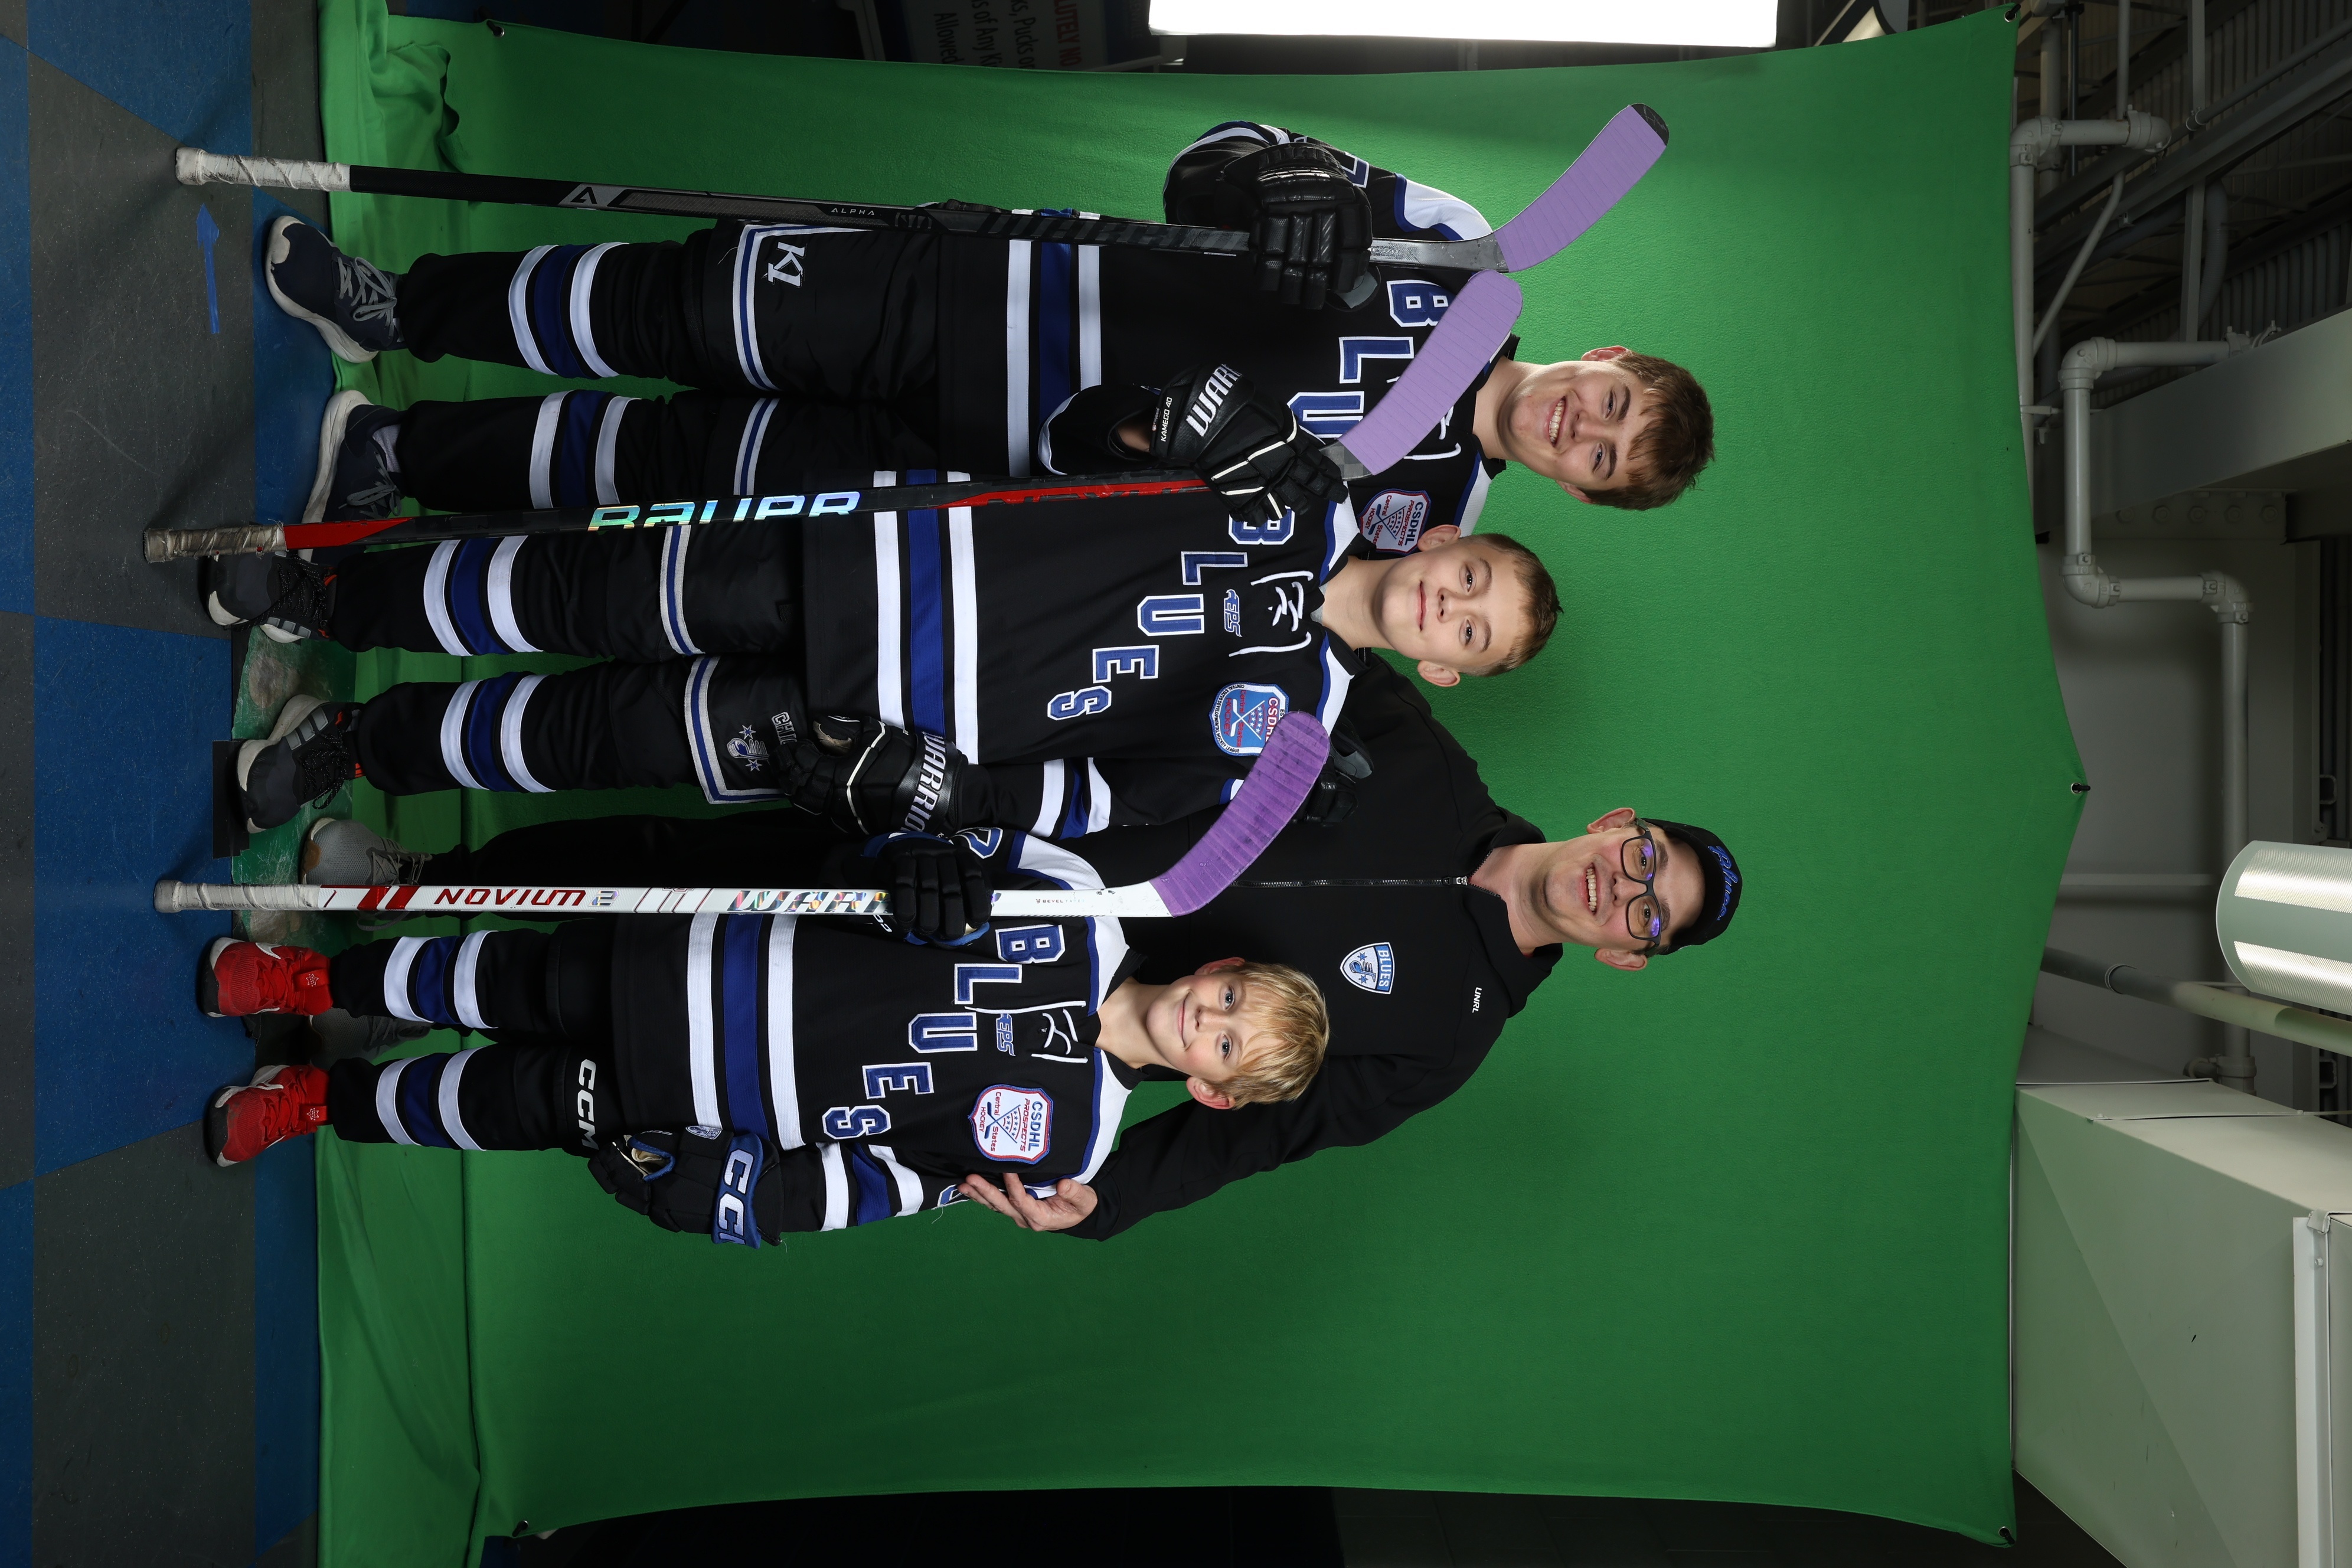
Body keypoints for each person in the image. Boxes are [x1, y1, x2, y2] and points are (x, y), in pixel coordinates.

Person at [285, 654, 1746, 1239]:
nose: (1622, 889)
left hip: (997, 1019)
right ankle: (421, 891)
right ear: (1616, 821)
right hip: (998, 868)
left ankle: (393, 1023)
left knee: (683, 1030)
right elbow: (1274, 652)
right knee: (683, 870)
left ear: (1628, 956)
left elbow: (1260, 1133)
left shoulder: (1447, 1037)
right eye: (1642, 859)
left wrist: (1101, 1198)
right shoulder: (1422, 753)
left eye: (1648, 913)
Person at [246, 120, 1713, 541]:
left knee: (672, 467)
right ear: (1605, 357)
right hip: (993, 291)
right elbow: (1213, 158)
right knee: (681, 300)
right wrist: (1282, 182)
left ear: (1582, 492)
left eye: (1604, 457)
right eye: (1612, 402)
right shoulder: (1458, 247)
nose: (1583, 428)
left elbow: (1228, 552)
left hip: (984, 471)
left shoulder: (1429, 523)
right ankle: (399, 309)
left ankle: (399, 454)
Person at [194, 829, 1331, 1245]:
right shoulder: (1082, 899)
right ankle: (304, 980)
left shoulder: (1072, 1150)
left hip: (701, 1100)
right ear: (1216, 968)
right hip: (694, 962)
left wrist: (752, 1200)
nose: (1212, 1022)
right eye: (1233, 1000)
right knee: (488, 975)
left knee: (495, 1107)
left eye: (1229, 1050)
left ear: (1211, 1093)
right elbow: (918, 844)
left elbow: (897, 1183)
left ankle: (318, 1102)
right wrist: (917, 858)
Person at [216, 512, 1560, 837]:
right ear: (1447, 538)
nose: (1451, 606)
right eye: (1474, 579)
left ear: (1444, 674)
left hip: (872, 719)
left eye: (1471, 634)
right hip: (871, 566)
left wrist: (955, 794)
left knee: (595, 733)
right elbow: (1086, 427)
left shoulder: (1289, 744)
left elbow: (1100, 801)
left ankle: (356, 741)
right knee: (587, 590)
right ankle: (331, 595)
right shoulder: (1296, 484)